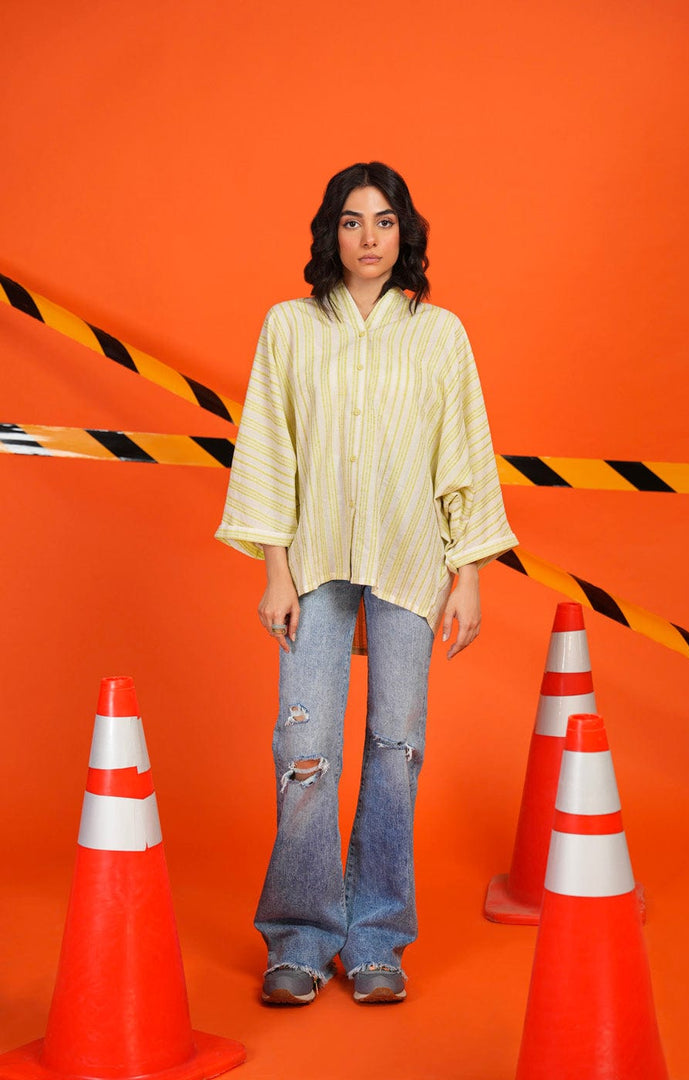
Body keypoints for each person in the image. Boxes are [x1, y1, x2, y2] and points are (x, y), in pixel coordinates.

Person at [216, 162, 517, 1006]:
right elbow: (269, 448)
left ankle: (378, 937)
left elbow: (464, 455)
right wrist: (275, 571)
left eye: (384, 221)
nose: (369, 238)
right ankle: (301, 937)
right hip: (313, 564)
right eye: (353, 221)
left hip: (411, 564)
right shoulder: (289, 327)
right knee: (304, 750)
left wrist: (468, 576)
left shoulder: (438, 334)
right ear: (331, 233)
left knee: (396, 750)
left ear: (404, 233)